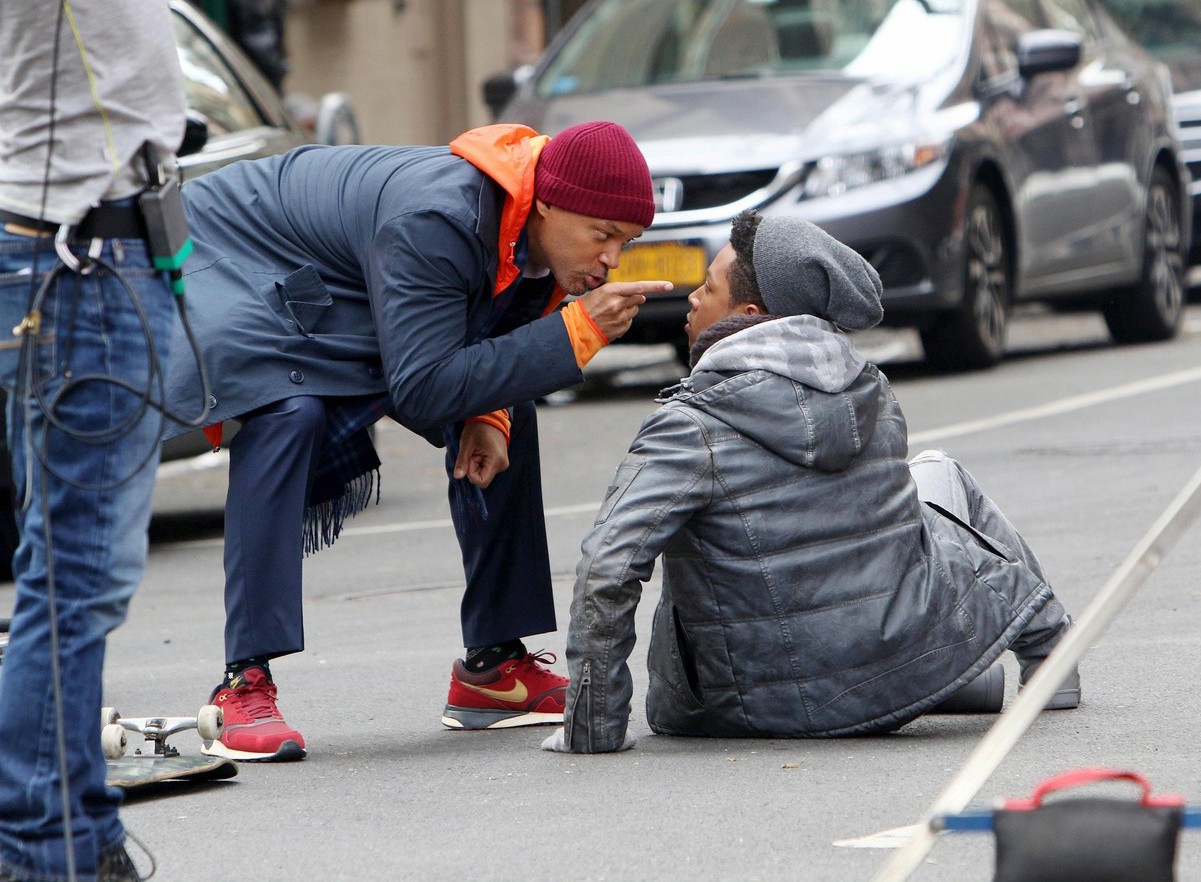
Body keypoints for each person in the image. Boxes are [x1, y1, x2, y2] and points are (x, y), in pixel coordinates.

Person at [161, 121, 671, 760]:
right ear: (546, 204)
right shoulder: (438, 221)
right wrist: (577, 334)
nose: (613, 258)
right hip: (227, 253)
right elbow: (425, 386)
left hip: (330, 270)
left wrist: (489, 415)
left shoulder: (536, 238)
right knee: (288, 410)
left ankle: (494, 667)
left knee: (507, 414)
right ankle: (242, 683)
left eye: (628, 241)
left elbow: (488, 349)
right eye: (603, 234)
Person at [544, 209, 1079, 754]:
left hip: (744, 710)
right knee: (937, 479)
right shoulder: (871, 392)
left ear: (750, 314)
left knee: (926, 489)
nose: (693, 299)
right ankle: (1052, 657)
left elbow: (608, 567)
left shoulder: (689, 426)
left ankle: (933, 680)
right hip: (889, 671)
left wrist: (592, 727)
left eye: (708, 287)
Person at [0, 1, 188, 879]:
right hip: (84, 264)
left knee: (67, 570)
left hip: (90, 254)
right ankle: (43, 844)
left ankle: (72, 827)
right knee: (76, 577)